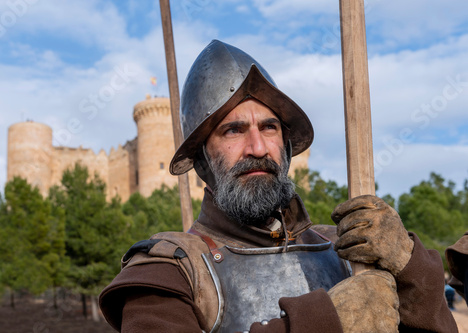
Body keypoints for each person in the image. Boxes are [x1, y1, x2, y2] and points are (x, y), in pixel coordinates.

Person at [99, 40, 457, 332]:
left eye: (269, 128)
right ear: (203, 160)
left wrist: (409, 268)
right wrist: (324, 321)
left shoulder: (348, 247)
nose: (257, 147)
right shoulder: (169, 272)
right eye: (233, 130)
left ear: (286, 147)